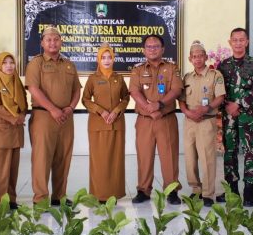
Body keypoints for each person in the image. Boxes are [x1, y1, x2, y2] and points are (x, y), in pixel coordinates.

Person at [25, 26, 81, 205]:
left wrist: (70, 108)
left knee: (63, 158)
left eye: (56, 39)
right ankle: (40, 199)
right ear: (42, 43)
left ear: (61, 42)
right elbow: (33, 89)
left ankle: (59, 196)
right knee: (42, 159)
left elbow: (76, 90)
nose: (52, 42)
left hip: (66, 117)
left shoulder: (69, 64)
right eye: (48, 39)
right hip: (44, 117)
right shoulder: (36, 63)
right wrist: (53, 109)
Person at [129, 35, 183, 205]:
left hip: (165, 118)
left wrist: (159, 105)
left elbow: (176, 89)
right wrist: (149, 108)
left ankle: (172, 191)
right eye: (149, 46)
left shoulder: (172, 68)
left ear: (163, 49)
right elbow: (134, 91)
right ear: (143, 50)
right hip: (145, 119)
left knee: (169, 156)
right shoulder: (137, 69)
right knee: (144, 156)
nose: (152, 49)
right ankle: (143, 191)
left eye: (156, 46)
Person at [218, 27, 253, 206]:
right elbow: (218, 90)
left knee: (251, 153)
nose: (238, 43)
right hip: (229, 117)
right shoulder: (223, 65)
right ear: (230, 42)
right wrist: (228, 105)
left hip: (248, 118)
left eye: (241, 40)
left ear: (247, 42)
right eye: (234, 40)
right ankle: (233, 191)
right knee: (230, 153)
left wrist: (238, 104)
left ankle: (249, 192)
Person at [178, 40, 226, 207]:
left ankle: (208, 193)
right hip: (190, 122)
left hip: (206, 121)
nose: (197, 59)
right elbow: (181, 100)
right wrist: (187, 112)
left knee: (207, 158)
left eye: (200, 56)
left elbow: (220, 97)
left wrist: (207, 108)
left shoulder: (215, 75)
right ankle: (196, 190)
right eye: (194, 56)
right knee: (190, 159)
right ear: (190, 59)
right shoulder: (187, 77)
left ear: (206, 57)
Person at [82, 44, 130, 202]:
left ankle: (114, 194)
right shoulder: (92, 79)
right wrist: (100, 111)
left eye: (109, 57)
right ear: (99, 59)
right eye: (103, 57)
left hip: (117, 125)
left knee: (116, 162)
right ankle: (99, 195)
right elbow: (85, 99)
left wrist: (116, 110)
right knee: (99, 162)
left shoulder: (119, 78)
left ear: (113, 59)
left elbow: (126, 98)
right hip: (98, 126)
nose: (107, 60)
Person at [0, 52, 27, 211]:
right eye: (5, 63)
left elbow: (24, 103)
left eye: (11, 62)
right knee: (1, 169)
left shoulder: (17, 82)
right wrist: (14, 118)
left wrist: (22, 115)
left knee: (12, 168)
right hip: (2, 130)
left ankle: (11, 200)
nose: (9, 66)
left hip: (16, 130)